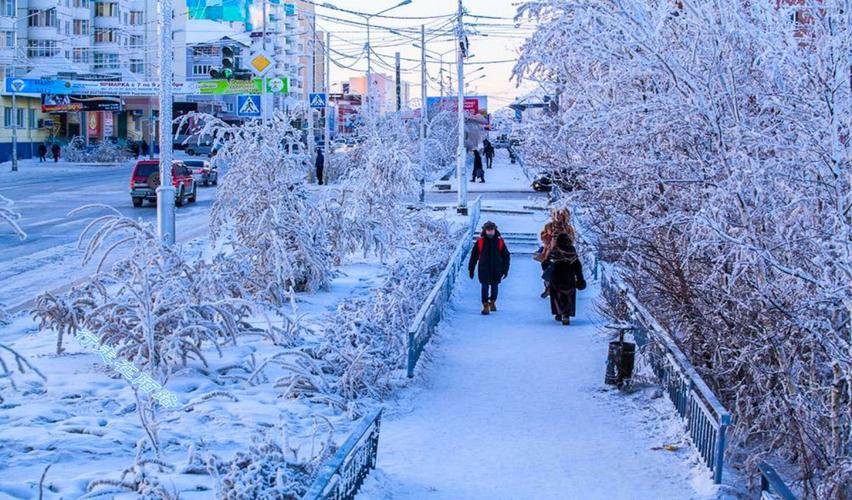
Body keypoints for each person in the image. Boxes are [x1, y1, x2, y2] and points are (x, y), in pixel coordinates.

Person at [469, 221, 511, 315]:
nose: (490, 232)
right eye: (488, 230)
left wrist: (505, 269)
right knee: (484, 286)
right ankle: (485, 305)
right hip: (483, 268)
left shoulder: (500, 241)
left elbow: (506, 256)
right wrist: (471, 269)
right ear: (485, 230)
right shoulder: (480, 242)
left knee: (494, 286)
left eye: (492, 230)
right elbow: (474, 256)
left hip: (497, 269)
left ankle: (492, 302)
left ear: (495, 230)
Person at [535, 209, 577, 298]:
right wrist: (550, 237)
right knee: (547, 271)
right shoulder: (549, 226)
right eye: (557, 215)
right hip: (549, 253)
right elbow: (543, 236)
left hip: (562, 255)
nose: (559, 217)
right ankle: (548, 287)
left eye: (561, 215)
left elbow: (572, 239)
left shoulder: (568, 228)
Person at [545, 232, 585, 325]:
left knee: (557, 296)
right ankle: (566, 314)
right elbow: (577, 265)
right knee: (569, 296)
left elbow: (546, 263)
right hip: (569, 277)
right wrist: (580, 278)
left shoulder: (555, 250)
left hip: (556, 277)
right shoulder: (571, 250)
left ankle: (559, 313)